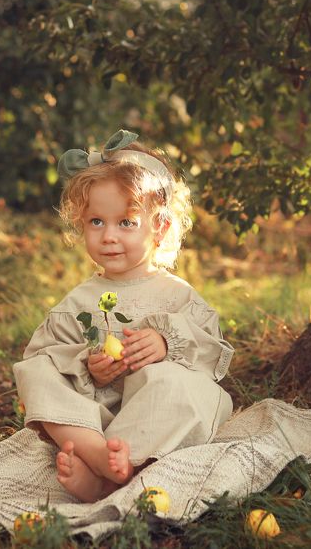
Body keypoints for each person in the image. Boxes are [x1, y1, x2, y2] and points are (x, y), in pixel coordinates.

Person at [12, 130, 234, 502]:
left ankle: (108, 479)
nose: (109, 236)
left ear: (159, 228)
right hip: (95, 421)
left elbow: (212, 353)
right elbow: (50, 355)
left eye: (126, 223)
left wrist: (167, 342)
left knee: (182, 389)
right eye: (96, 222)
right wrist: (88, 367)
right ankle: (100, 457)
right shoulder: (78, 300)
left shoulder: (176, 295)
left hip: (151, 418)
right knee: (36, 370)